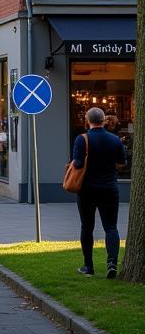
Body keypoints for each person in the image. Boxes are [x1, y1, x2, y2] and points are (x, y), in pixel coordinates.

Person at [71, 105, 126, 278]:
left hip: (87, 190)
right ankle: (112, 263)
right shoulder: (115, 140)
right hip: (109, 188)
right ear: (103, 120)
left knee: (87, 227)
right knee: (111, 227)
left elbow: (78, 164)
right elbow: (122, 163)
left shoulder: (82, 139)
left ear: (87, 121)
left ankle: (89, 267)